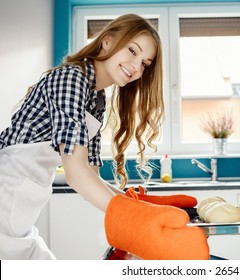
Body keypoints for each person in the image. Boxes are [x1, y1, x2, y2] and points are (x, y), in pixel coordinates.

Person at [0, 14, 209, 260]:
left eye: (145, 63)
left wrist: (142, 206)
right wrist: (135, 219)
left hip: (22, 205)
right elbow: (75, 173)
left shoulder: (97, 99)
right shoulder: (71, 78)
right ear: (107, 42)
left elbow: (91, 174)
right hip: (7, 191)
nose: (136, 65)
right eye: (132, 51)